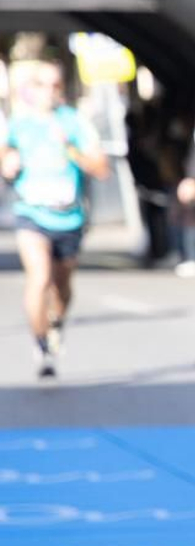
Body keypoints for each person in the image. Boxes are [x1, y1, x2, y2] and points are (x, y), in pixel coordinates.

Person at [0, 60, 110, 378]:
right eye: (42, 85)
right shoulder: (19, 125)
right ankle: (41, 344)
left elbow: (101, 169)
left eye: (55, 85)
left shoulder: (74, 122)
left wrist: (71, 149)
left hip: (69, 217)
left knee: (62, 286)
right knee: (40, 277)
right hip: (31, 213)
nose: (49, 92)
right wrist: (8, 163)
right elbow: (4, 157)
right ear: (29, 90)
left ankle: (56, 322)